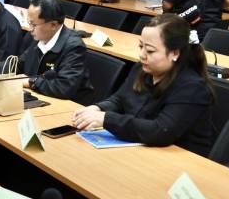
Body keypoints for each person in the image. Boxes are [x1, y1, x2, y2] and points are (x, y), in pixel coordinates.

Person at [72, 14, 215, 157]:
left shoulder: (192, 87)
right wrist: (97, 108)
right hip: (142, 148)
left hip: (179, 159)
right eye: (141, 46)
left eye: (150, 51)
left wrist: (106, 119)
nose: (142, 55)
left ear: (175, 53)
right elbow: (120, 99)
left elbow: (160, 131)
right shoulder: (142, 68)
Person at [0, 0, 92, 101]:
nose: (30, 29)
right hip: (38, 98)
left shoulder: (74, 47)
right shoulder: (37, 37)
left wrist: (30, 82)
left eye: (33, 24)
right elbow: (17, 65)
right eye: (29, 22)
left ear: (53, 24)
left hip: (69, 107)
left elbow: (65, 87)